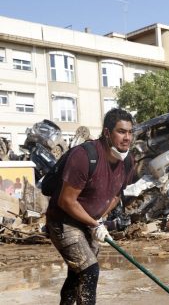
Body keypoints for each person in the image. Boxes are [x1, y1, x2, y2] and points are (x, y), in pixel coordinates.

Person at [46, 108, 135, 305]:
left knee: (77, 274)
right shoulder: (84, 156)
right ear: (106, 133)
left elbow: (115, 195)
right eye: (121, 131)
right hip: (64, 220)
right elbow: (66, 201)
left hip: (90, 221)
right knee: (89, 269)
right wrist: (94, 224)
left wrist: (100, 219)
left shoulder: (127, 161)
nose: (127, 137)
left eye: (130, 132)